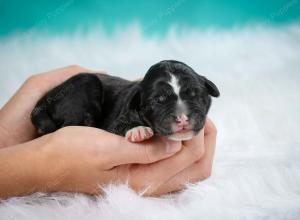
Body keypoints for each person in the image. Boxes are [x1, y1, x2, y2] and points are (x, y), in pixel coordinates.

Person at [0, 65, 217, 199]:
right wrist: (43, 162)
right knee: (87, 83)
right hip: (82, 94)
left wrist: (4, 137)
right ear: (138, 102)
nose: (182, 116)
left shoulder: (146, 100)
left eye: (193, 95)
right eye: (160, 100)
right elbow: (118, 125)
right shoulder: (130, 105)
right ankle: (60, 125)